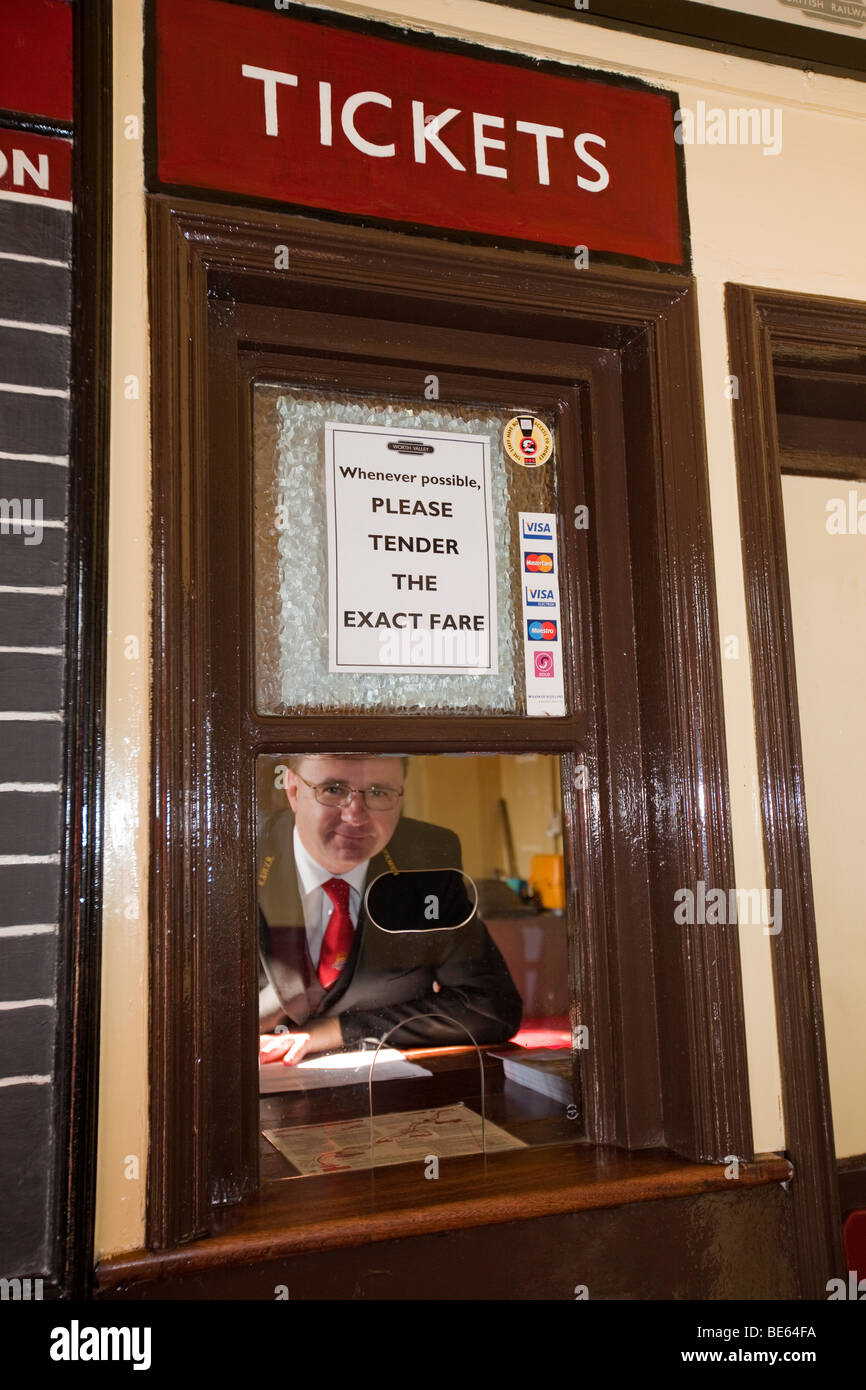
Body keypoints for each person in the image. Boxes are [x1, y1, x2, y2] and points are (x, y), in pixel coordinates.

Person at [258, 753, 523, 1065]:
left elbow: (489, 1007)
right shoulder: (234, 858)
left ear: (401, 795)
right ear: (292, 790)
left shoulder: (426, 860)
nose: (355, 815)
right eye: (333, 790)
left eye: (378, 793)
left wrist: (338, 1031)